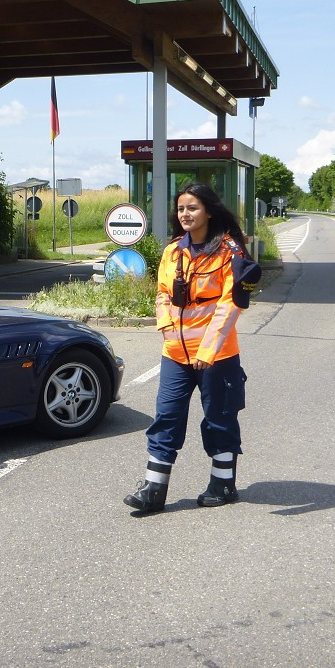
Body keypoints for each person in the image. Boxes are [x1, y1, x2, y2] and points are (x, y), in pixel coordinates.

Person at [124, 182, 256, 514]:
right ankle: (154, 489)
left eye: (192, 208)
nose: (185, 214)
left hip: (216, 356)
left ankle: (223, 484)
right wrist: (167, 329)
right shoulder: (173, 251)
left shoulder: (229, 252)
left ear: (209, 211)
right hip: (175, 354)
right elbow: (162, 294)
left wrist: (207, 351)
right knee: (166, 416)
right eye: (181, 208)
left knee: (219, 419)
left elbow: (229, 305)